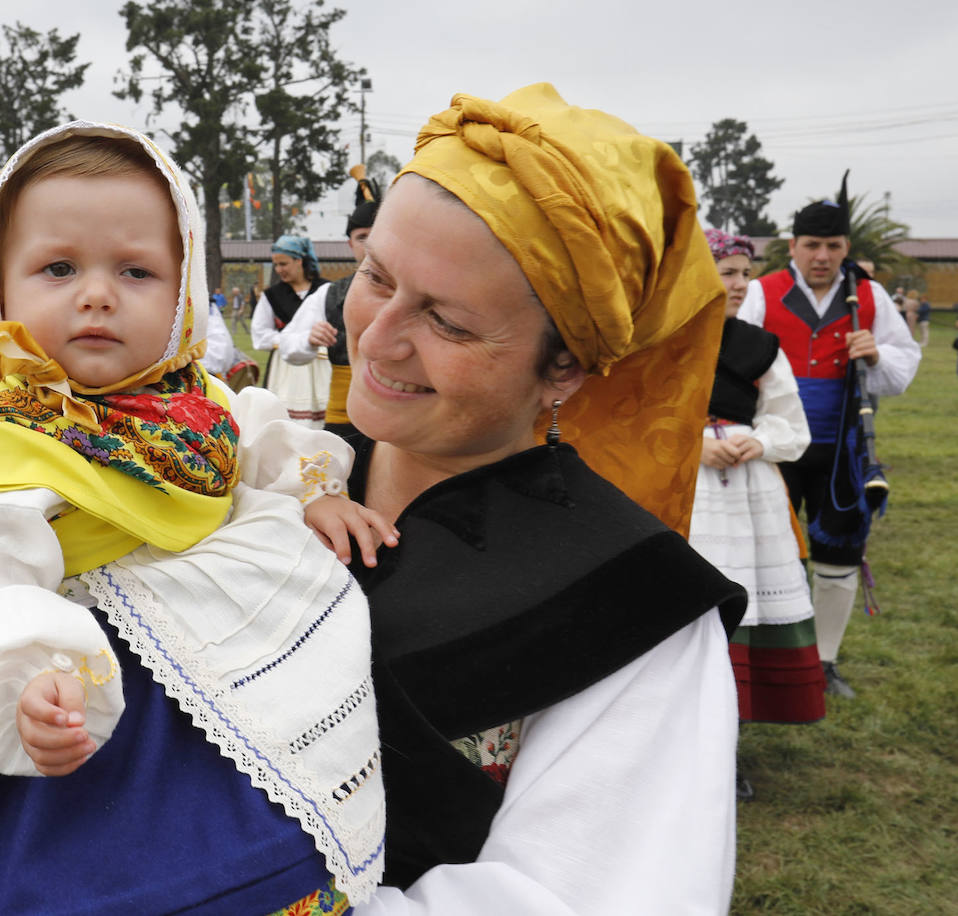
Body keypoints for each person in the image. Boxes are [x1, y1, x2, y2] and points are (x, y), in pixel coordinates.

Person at [0, 121, 391, 913]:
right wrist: (28, 675)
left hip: (218, 689)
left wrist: (316, 490)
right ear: (1, 282)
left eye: (136, 271)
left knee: (252, 852)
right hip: (75, 709)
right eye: (59, 267)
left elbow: (266, 438)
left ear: (183, 290)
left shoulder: (196, 404)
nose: (97, 292)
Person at [333, 86, 747, 913]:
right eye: (374, 276)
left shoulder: (630, 605)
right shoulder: (273, 474)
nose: (376, 339)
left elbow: (587, 895)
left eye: (447, 322)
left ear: (562, 371)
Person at [739, 172, 921, 698]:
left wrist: (877, 352)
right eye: (812, 245)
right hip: (772, 446)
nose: (822, 255)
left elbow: (903, 367)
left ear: (846, 247)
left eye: (833, 245)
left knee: (838, 558)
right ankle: (765, 658)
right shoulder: (761, 293)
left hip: (841, 449)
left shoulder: (869, 295)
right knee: (767, 555)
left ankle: (824, 660)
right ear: (792, 246)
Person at [692, 229, 821, 802]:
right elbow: (630, 418)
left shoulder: (758, 346)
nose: (741, 284)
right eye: (728, 273)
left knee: (739, 613)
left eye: (745, 273)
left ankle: (729, 747)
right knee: (689, 615)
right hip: (684, 493)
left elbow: (791, 424)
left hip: (746, 500)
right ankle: (680, 745)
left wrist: (758, 441)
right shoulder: (658, 342)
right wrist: (690, 445)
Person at [279, 166, 380, 441]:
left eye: (378, 233)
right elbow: (287, 344)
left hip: (401, 417)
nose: (371, 244)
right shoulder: (329, 294)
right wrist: (310, 339)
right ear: (350, 244)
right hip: (343, 416)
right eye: (362, 237)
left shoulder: (415, 290)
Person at [251, 236, 331, 427]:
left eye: (283, 263)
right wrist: (291, 340)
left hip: (323, 365)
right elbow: (260, 334)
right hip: (285, 367)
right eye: (276, 264)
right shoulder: (272, 296)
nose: (279, 270)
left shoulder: (326, 290)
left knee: (326, 423)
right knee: (287, 424)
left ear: (299, 261)